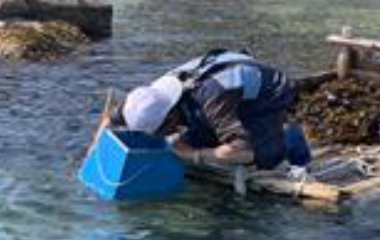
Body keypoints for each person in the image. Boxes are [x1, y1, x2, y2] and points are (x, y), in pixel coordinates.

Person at [100, 50, 311, 170]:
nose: (158, 136)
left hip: (270, 92)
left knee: (262, 158)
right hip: (226, 90)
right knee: (195, 139)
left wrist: (194, 155)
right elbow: (109, 119)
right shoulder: (145, 98)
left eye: (159, 131)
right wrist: (94, 157)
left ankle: (290, 138)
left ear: (171, 117)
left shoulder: (212, 100)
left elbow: (243, 151)